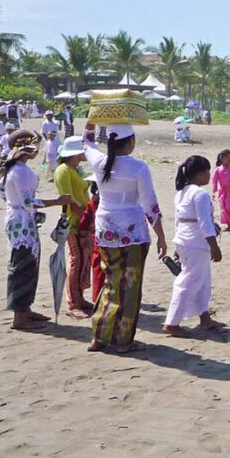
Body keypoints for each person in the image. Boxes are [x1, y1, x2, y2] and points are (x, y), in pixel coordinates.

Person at [83, 123, 168, 353]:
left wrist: (90, 122)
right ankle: (123, 340)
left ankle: (98, 335)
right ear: (129, 142)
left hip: (106, 230)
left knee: (110, 281)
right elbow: (150, 205)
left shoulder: (99, 162)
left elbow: (87, 143)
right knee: (129, 288)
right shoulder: (138, 167)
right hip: (132, 233)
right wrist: (161, 236)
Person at [0, 130, 70, 330]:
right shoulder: (19, 170)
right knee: (23, 265)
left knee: (29, 264)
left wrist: (15, 204)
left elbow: (1, 190)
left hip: (20, 218)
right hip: (21, 221)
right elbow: (28, 201)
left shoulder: (14, 168)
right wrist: (57, 201)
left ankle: (25, 309)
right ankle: (19, 316)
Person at [163, 155, 225, 337]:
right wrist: (214, 246)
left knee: (202, 279)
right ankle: (172, 322)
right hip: (196, 243)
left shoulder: (182, 192)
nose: (208, 175)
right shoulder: (200, 194)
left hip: (184, 240)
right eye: (206, 171)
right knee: (187, 281)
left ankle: (204, 317)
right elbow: (204, 222)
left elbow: (178, 221)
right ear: (199, 174)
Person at [53, 136, 94, 319]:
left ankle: (80, 297)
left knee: (84, 259)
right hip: (74, 221)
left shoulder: (75, 169)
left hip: (83, 219)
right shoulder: (63, 170)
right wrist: (85, 213)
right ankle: (73, 302)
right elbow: (68, 199)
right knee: (76, 260)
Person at [212, 149, 230, 231]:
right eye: (227, 157)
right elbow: (214, 180)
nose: (229, 159)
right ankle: (228, 225)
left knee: (229, 206)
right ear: (222, 159)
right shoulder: (218, 169)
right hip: (222, 191)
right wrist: (214, 190)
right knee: (223, 208)